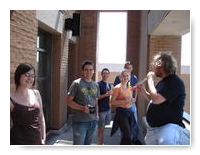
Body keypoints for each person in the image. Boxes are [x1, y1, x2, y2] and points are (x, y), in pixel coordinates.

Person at [137, 52, 190, 145]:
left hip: (168, 128)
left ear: (160, 67)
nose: (153, 69)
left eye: (154, 66)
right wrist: (144, 91)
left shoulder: (174, 82)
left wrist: (150, 80)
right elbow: (153, 99)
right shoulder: (164, 82)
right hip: (154, 129)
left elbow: (156, 99)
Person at [10, 63, 46, 145]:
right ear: (19, 75)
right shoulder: (10, 99)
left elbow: (41, 116)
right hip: (17, 143)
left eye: (33, 76)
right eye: (27, 75)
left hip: (37, 141)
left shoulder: (36, 93)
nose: (30, 78)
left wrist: (43, 137)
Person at [66, 60, 100, 145]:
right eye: (86, 69)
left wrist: (97, 115)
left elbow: (96, 101)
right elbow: (68, 102)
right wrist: (82, 108)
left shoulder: (96, 85)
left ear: (93, 71)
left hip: (92, 121)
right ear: (82, 71)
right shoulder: (76, 83)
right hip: (80, 122)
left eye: (90, 69)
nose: (88, 72)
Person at [113, 61, 141, 144]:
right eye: (127, 68)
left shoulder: (134, 77)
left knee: (134, 121)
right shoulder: (119, 78)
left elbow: (135, 88)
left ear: (132, 69)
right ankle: (125, 139)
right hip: (122, 106)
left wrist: (134, 98)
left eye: (130, 68)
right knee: (124, 124)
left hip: (131, 104)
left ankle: (134, 138)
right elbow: (115, 91)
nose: (128, 69)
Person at [97, 68, 112, 145]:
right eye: (104, 73)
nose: (105, 74)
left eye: (107, 73)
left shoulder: (108, 84)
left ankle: (101, 143)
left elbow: (109, 96)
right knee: (100, 129)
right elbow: (96, 97)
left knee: (103, 128)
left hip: (108, 109)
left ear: (109, 74)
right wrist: (106, 94)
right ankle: (99, 144)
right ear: (101, 74)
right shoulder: (98, 84)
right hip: (101, 110)